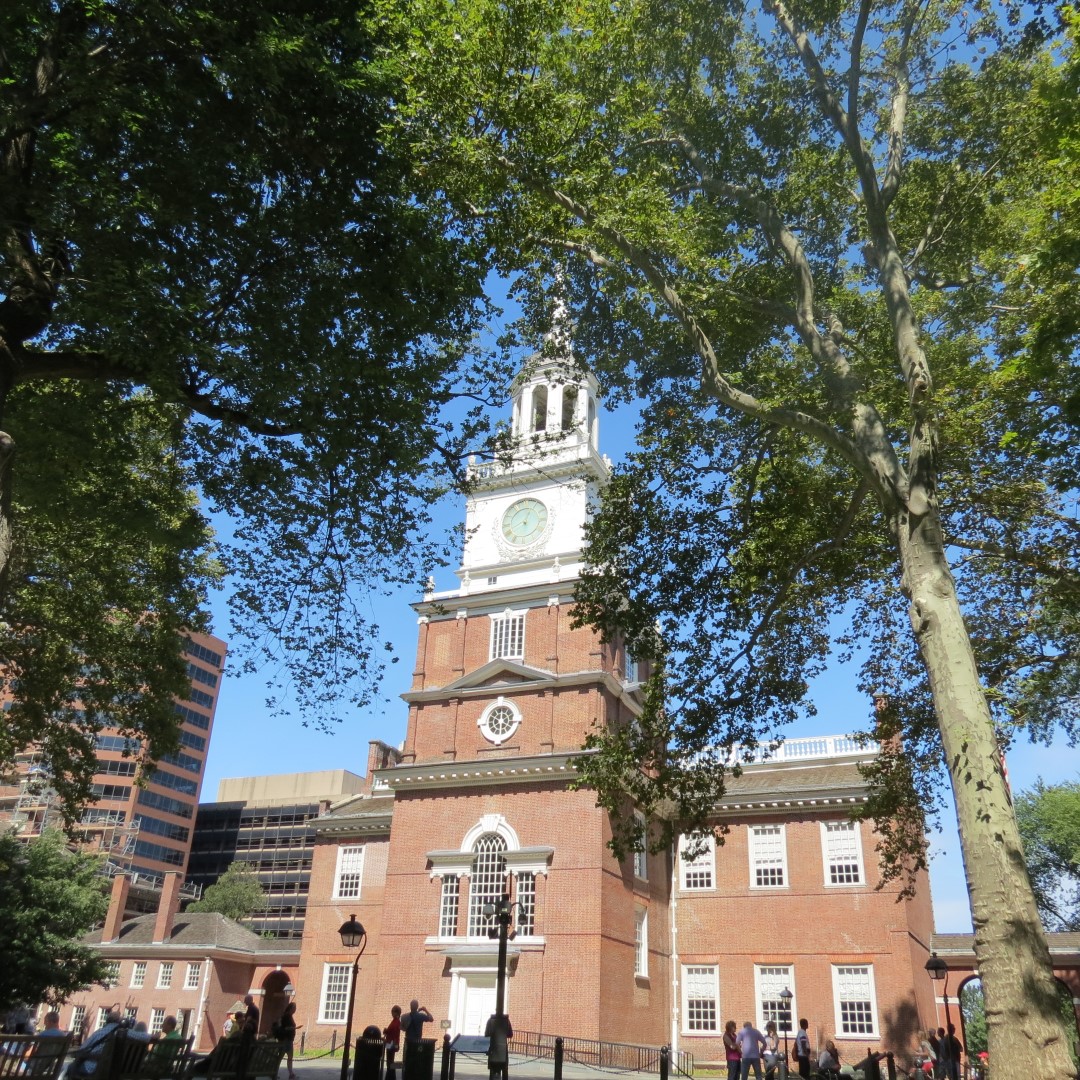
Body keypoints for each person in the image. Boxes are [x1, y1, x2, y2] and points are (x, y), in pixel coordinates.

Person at [64, 1011, 122, 1079]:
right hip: (116, 1071)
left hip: (94, 1068)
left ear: (107, 1021)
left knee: (66, 1067)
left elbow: (82, 1049)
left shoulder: (100, 1033)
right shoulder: (126, 1034)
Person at [401, 1001, 433, 1068]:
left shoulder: (405, 1016)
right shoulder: (421, 1016)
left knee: (408, 1057)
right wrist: (425, 1010)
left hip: (408, 1040)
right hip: (417, 1041)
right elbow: (431, 1019)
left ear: (410, 1006)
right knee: (416, 1058)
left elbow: (402, 1028)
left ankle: (408, 1071)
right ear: (417, 1006)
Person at [484, 1014, 513, 1080]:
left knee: (493, 1070)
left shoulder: (491, 1020)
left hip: (493, 1048)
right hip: (502, 1048)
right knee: (504, 1070)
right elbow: (510, 1034)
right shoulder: (506, 1021)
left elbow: (486, 1034)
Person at [274, 1003, 298, 1080]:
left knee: (289, 1057)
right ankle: (275, 1073)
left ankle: (290, 1073)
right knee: (281, 1057)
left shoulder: (289, 1016)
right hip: (285, 1039)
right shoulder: (286, 1016)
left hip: (289, 1039)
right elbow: (284, 1028)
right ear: (290, 1008)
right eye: (294, 1008)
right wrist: (293, 1028)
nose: (295, 1009)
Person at [383, 1006, 402, 1080]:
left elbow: (393, 1033)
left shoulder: (396, 1022)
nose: (391, 1013)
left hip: (391, 1043)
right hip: (391, 1043)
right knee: (390, 1061)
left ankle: (390, 1077)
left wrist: (386, 1031)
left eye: (393, 1011)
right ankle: (391, 1077)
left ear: (396, 1012)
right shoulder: (395, 1021)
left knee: (389, 1062)